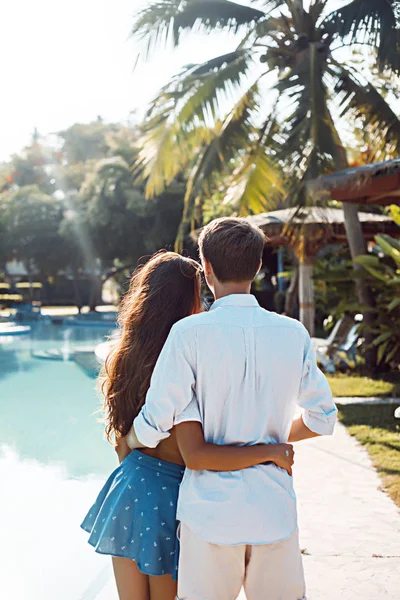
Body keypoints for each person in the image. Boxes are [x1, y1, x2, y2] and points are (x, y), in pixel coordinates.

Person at [127, 219, 338, 600]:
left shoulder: (188, 334)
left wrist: (129, 439)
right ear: (258, 267)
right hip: (273, 510)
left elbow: (156, 420)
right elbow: (323, 419)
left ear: (205, 267)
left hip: (209, 518)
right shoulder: (293, 333)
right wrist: (269, 435)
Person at [81, 251, 295, 600]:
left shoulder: (123, 354)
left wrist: (140, 480)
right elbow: (196, 451)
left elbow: (122, 440)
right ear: (191, 297)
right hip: (175, 497)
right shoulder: (189, 356)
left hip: (130, 487)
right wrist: (269, 451)